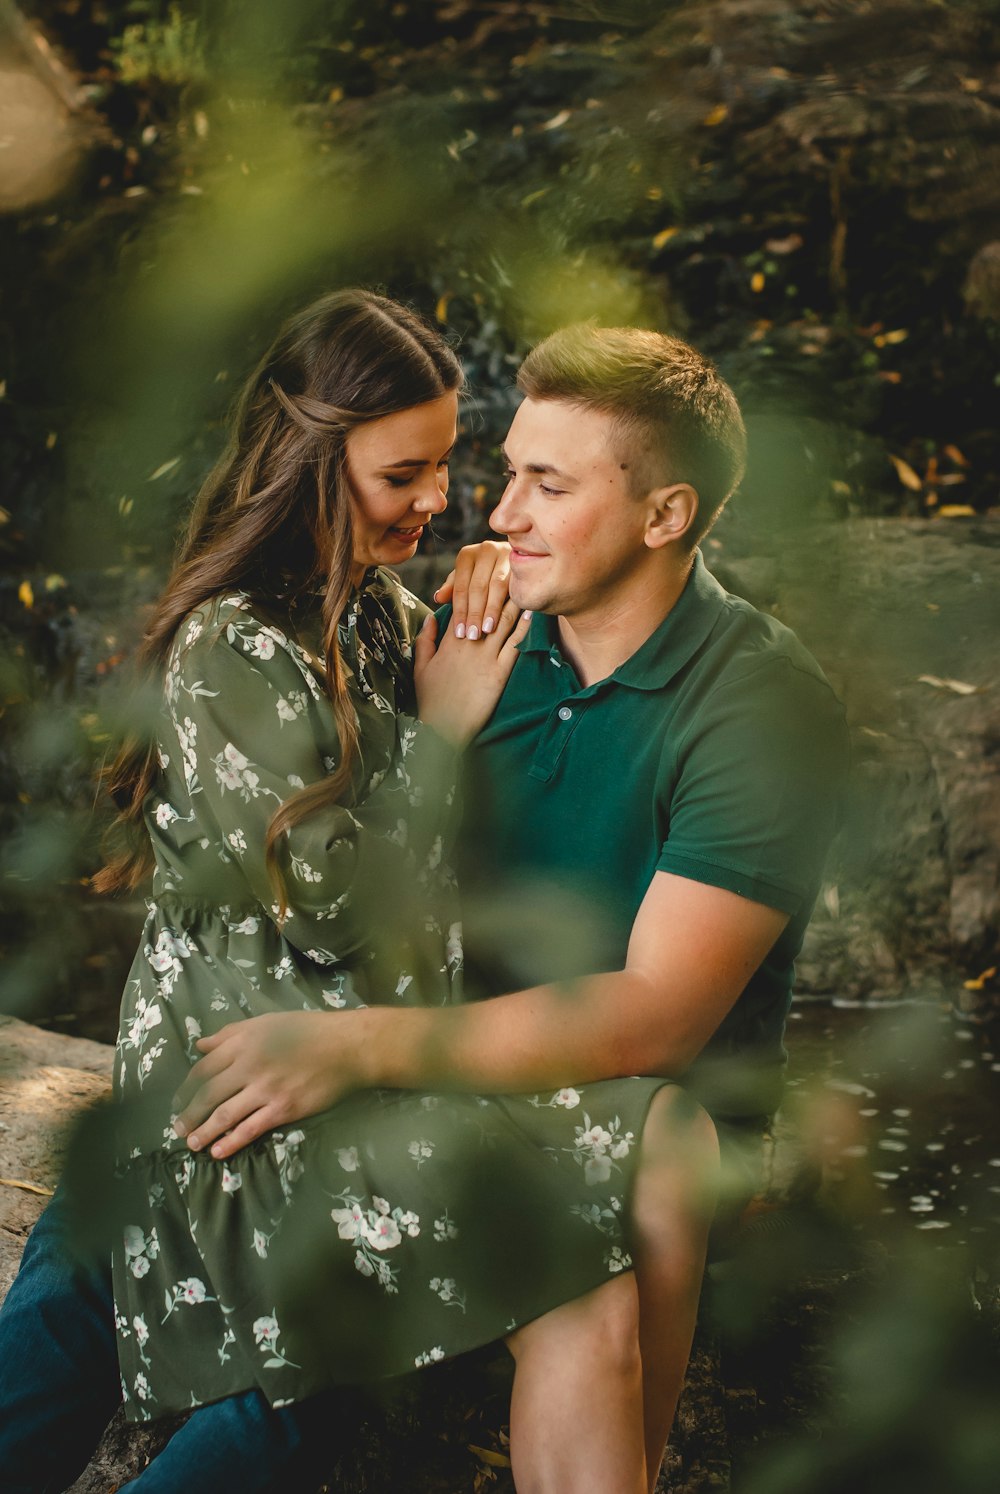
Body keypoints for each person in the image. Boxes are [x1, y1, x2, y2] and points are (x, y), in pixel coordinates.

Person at [0, 296, 722, 1494]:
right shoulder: (233, 642)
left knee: (186, 1323)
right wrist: (436, 740)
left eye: (449, 464)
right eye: (405, 472)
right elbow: (325, 911)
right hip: (240, 1070)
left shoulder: (385, 621)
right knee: (244, 1358)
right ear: (308, 458)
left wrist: (523, 581)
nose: (442, 501)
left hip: (350, 1069)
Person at [174, 323, 850, 1490]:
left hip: (617, 1102)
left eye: (548, 484)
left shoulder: (760, 707)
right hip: (440, 1087)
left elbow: (659, 1020)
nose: (496, 515)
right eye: (507, 472)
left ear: (666, 515)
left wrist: (355, 1046)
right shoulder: (474, 630)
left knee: (655, 1153)